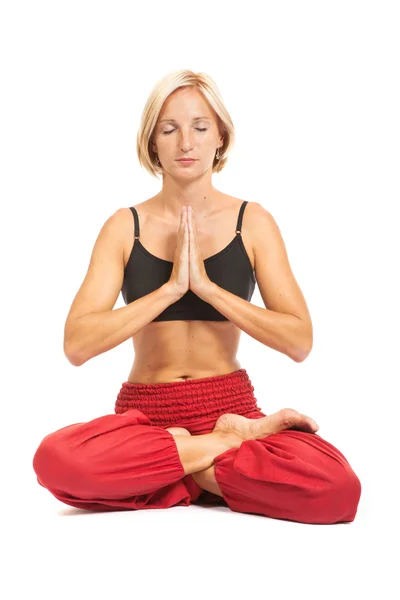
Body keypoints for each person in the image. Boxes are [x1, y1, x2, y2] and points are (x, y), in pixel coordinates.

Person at [32, 69, 361, 523]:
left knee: (337, 489)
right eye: (169, 129)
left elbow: (300, 340)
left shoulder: (254, 221)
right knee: (56, 461)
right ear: (152, 143)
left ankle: (174, 471)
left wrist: (208, 288)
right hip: (148, 421)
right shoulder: (123, 226)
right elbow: (77, 344)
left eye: (200, 128)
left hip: (231, 407)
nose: (186, 142)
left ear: (220, 138)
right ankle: (215, 455)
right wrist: (169, 291)